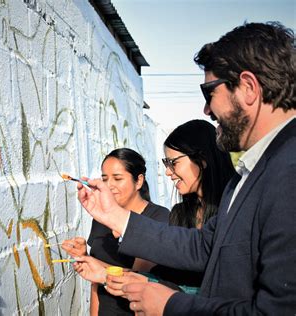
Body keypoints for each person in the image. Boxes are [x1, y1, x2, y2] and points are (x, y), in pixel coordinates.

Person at [76, 22, 296, 315]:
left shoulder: (288, 172)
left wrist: (170, 305)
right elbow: (204, 247)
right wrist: (115, 215)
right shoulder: (253, 172)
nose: (207, 110)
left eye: (209, 93)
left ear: (248, 87)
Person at [75, 120, 237, 295]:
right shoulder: (180, 214)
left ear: (202, 160)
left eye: (173, 163)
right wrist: (104, 274)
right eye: (166, 163)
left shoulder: (235, 211)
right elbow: (167, 282)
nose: (167, 171)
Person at [62, 148, 169, 315]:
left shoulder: (157, 218)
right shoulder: (101, 217)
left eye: (118, 178)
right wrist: (86, 258)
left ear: (138, 181)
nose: (109, 185)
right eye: (105, 179)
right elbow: (95, 283)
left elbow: (139, 278)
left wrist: (96, 268)